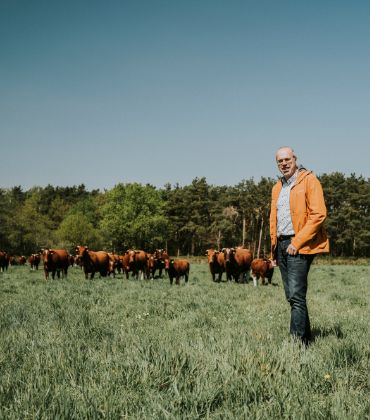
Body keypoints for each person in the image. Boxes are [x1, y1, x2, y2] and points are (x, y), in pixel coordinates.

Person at [270, 146, 329, 345]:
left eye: (287, 159)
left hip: (299, 243)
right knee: (292, 296)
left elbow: (318, 214)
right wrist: (274, 249)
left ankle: (296, 344)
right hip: (281, 244)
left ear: (295, 159)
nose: (284, 163)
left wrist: (297, 242)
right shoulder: (277, 187)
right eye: (280, 161)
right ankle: (306, 340)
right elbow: (274, 219)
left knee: (296, 295)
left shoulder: (309, 180)